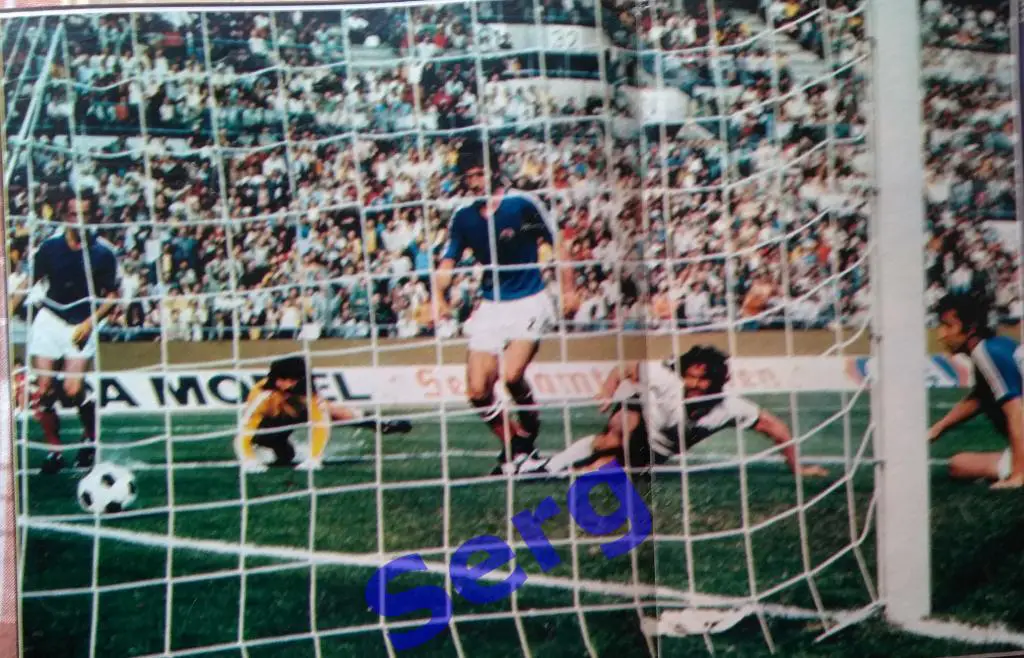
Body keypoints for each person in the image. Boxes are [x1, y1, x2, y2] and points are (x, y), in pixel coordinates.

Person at [432, 137, 578, 476]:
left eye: (479, 172)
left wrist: (570, 290)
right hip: (491, 306)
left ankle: (528, 442)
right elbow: (446, 264)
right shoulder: (463, 217)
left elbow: (558, 242)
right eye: (468, 175)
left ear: (495, 170)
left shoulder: (521, 204)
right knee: (477, 390)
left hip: (530, 300)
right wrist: (438, 297)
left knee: (512, 376)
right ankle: (514, 449)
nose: (474, 180)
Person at [521, 345, 830, 478]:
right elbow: (624, 368)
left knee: (601, 471)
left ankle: (544, 469)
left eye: (703, 379)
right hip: (640, 410)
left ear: (718, 382)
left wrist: (797, 468)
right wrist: (606, 389)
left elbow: (776, 428)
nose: (694, 383)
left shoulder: (730, 407)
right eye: (690, 375)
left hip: (658, 449)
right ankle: (545, 466)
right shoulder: (665, 380)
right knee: (616, 435)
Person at [11, 192, 120, 474]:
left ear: (94, 217)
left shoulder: (103, 253)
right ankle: (54, 450)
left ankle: (89, 437)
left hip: (81, 323)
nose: (78, 221)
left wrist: (91, 322)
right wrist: (7, 310)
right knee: (44, 390)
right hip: (50, 318)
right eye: (73, 214)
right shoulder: (49, 249)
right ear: (64, 216)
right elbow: (26, 283)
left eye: (84, 214)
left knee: (72, 390)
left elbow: (113, 297)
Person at [235, 355, 412, 472]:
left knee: (333, 410)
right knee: (286, 456)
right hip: (269, 427)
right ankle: (269, 450)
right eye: (285, 379)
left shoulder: (306, 391)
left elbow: (321, 424)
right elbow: (244, 431)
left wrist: (314, 458)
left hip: (293, 416)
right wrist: (248, 459)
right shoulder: (261, 395)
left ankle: (379, 423)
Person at [928, 294, 1024, 489]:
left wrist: (1017, 475)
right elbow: (980, 398)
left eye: (948, 326)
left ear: (970, 328)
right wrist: (937, 429)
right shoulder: (999, 345)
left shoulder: (985, 353)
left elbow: (1016, 413)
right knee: (959, 464)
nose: (941, 334)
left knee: (958, 465)